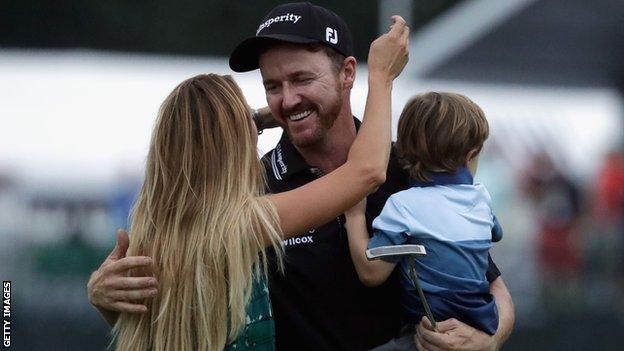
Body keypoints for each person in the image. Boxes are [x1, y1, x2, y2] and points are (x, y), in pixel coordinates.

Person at [89, 2, 514, 350]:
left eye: (301, 79)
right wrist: (105, 296)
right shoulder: (246, 190)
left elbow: (491, 283)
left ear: (348, 73)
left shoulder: (412, 168)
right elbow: (171, 304)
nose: (288, 98)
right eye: (273, 86)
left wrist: (489, 338)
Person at [344, 92, 504, 350]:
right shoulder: (482, 199)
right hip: (480, 326)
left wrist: (353, 215)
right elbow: (495, 233)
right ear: (470, 154)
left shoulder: (402, 205)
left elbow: (370, 272)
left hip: (427, 334)